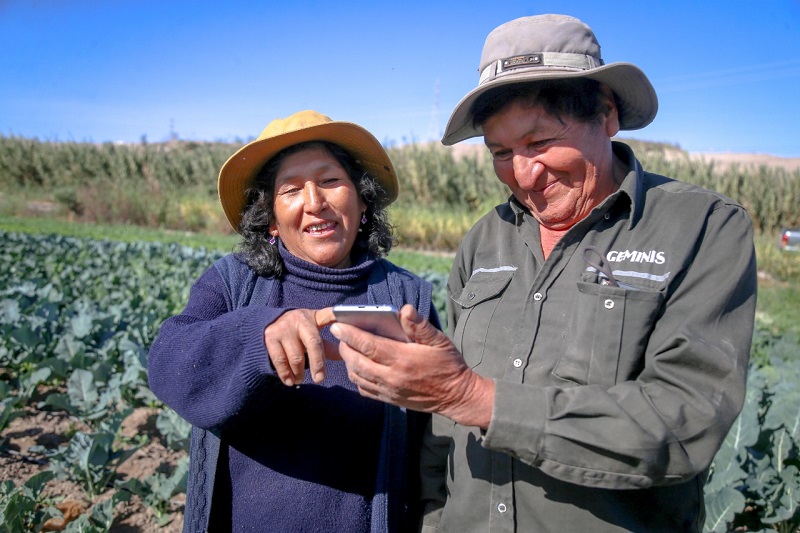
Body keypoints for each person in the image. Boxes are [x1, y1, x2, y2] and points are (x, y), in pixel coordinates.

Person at [330, 14, 757, 532]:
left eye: (538, 143)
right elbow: (441, 428)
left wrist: (478, 399)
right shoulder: (483, 241)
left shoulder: (701, 226)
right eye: (502, 153)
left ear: (606, 114)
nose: (524, 174)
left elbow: (686, 416)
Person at [147, 110, 439, 532]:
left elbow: (433, 436)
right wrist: (259, 337)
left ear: (362, 200)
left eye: (330, 181)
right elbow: (168, 362)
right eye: (290, 190)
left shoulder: (405, 296)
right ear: (269, 218)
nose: (314, 202)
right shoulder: (234, 284)